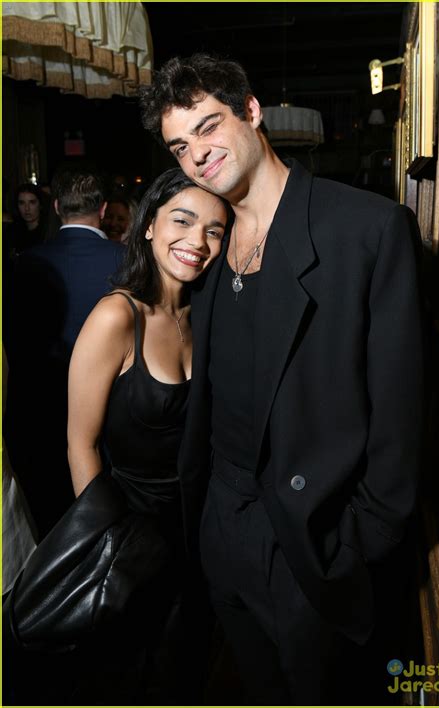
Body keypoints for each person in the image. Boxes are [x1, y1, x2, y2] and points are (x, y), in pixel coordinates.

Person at [140, 53, 424, 705]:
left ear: (251, 111)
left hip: (314, 546)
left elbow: (400, 423)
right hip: (220, 527)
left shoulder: (367, 229)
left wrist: (350, 548)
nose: (197, 154)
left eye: (209, 126)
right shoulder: (204, 244)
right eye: (180, 145)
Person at [66, 168, 228, 703]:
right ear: (148, 226)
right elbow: (80, 443)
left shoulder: (205, 313)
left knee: (189, 668)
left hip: (200, 527)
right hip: (132, 533)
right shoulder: (116, 316)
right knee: (136, 674)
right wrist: (103, 549)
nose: (197, 242)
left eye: (215, 230)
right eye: (182, 221)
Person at [5, 168, 126, 540]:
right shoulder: (127, 260)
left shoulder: (21, 263)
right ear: (103, 210)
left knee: (49, 527)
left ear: (56, 207)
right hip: (109, 419)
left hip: (36, 414)